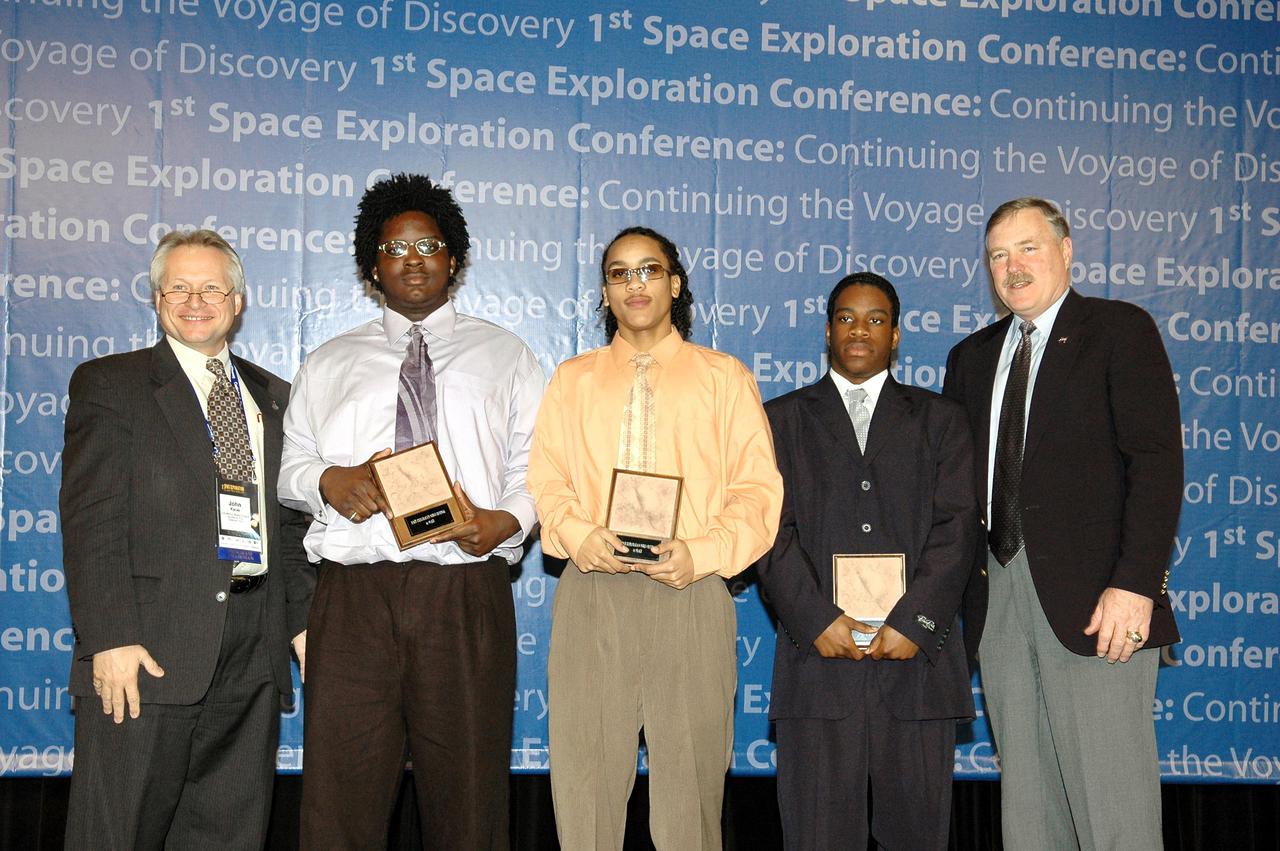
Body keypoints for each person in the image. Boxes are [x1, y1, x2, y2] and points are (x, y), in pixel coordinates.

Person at [278, 172, 545, 849]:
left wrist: (505, 523)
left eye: (429, 244)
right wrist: (329, 480)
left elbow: (539, 470)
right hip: (353, 600)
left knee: (471, 799)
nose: (414, 258)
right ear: (374, 265)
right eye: (396, 248)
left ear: (453, 257)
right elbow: (290, 472)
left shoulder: (508, 355)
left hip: (463, 589)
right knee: (339, 800)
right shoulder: (329, 360)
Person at [526, 226, 783, 850]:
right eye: (618, 273)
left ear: (675, 284)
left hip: (690, 594)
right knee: (585, 793)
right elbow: (545, 481)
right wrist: (579, 536)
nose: (634, 284)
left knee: (691, 800)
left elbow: (758, 494)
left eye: (648, 270)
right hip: (594, 592)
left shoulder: (724, 378)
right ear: (605, 293)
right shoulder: (572, 380)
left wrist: (703, 553)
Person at [61, 229, 313, 850]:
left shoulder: (275, 397)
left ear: (238, 301)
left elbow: (285, 529)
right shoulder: (110, 385)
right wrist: (109, 638)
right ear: (155, 298)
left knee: (227, 834)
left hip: (252, 652)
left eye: (211, 288)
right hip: (147, 649)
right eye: (179, 287)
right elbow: (92, 520)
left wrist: (301, 626)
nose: (195, 300)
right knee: (118, 833)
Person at [943, 197, 1182, 850]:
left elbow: (1157, 466)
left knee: (1114, 807)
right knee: (1028, 805)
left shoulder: (1118, 331)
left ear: (1066, 249)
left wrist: (1136, 583)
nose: (1013, 266)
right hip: (998, 601)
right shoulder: (970, 358)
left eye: (1028, 247)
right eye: (998, 254)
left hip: (1099, 603)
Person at [756, 272, 978, 850]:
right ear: (828, 331)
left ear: (897, 335)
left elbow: (958, 529)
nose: (860, 330)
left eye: (875, 319)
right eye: (847, 318)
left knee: (918, 837)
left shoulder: (943, 420)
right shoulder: (779, 420)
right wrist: (814, 620)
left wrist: (916, 622)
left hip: (917, 666)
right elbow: (767, 531)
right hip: (817, 668)